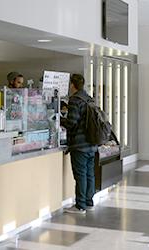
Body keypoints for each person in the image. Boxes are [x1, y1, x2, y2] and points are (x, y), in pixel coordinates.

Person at [60, 74, 98, 214]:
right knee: (89, 174)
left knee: (80, 175)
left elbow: (72, 123)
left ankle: (80, 205)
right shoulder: (89, 98)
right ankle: (89, 202)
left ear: (72, 85)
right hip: (92, 144)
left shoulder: (75, 100)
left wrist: (60, 120)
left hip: (80, 145)